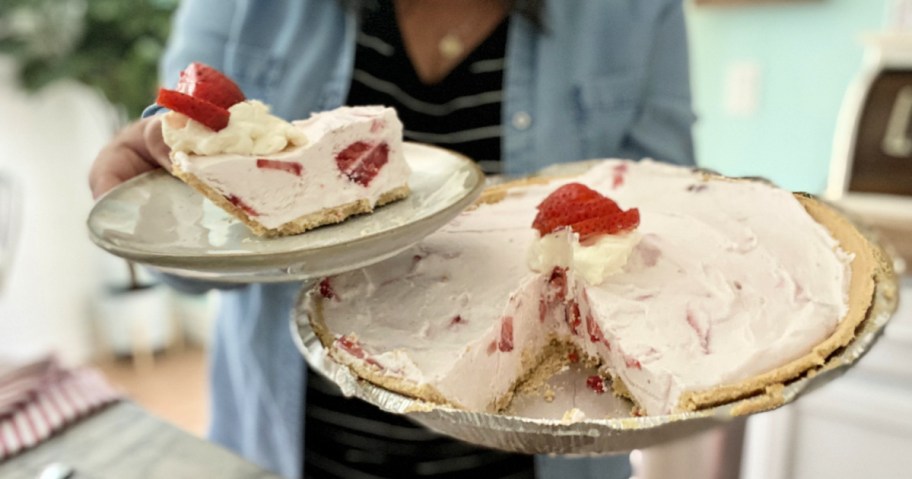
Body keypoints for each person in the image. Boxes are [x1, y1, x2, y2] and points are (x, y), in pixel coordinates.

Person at [89, 1, 695, 478]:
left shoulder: (635, 10)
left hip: (536, 453)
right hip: (299, 443)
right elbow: (189, 255)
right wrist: (158, 201)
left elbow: (663, 216)